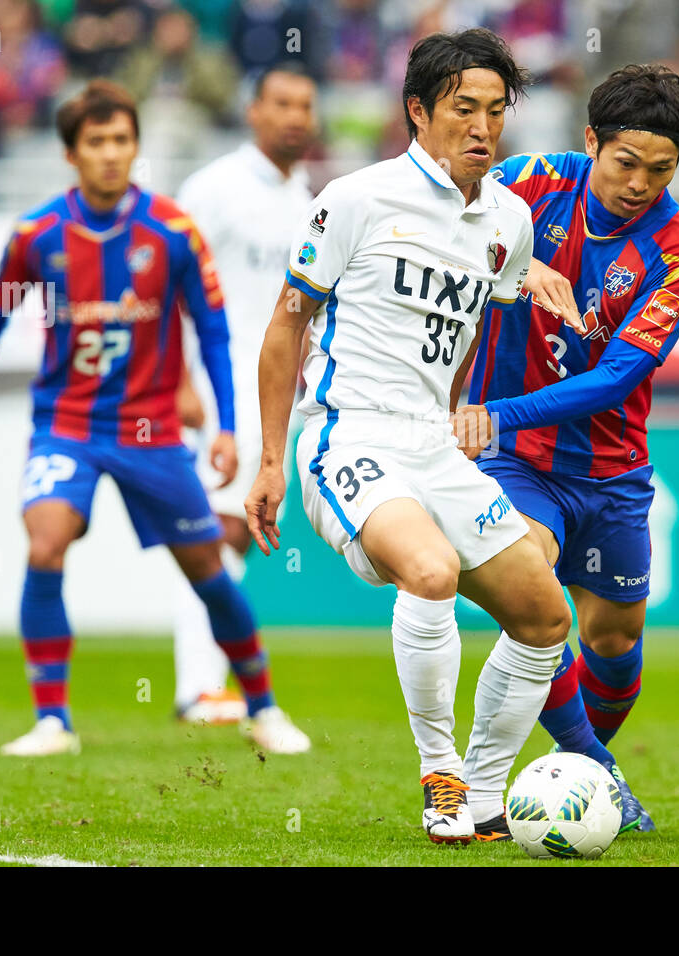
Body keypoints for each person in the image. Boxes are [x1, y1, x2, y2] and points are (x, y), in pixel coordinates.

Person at [245, 28, 571, 845]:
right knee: (427, 571)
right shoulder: (354, 199)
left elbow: (460, 344)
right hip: (345, 434)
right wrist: (269, 460)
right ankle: (441, 775)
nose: (483, 128)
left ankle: (489, 791)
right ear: (418, 111)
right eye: (465, 109)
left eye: (497, 111)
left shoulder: (509, 221)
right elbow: (286, 331)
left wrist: (454, 423)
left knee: (545, 615)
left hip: (431, 441)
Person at [0, 80, 304, 757]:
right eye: (97, 143)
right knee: (45, 541)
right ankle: (53, 720)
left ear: (135, 147)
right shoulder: (38, 235)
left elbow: (213, 331)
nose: (111, 154)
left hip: (151, 431)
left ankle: (263, 706)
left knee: (207, 565)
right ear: (71, 154)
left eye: (122, 141)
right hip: (67, 424)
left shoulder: (171, 232)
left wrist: (227, 426)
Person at [452, 63, 679, 835]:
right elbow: (450, 219)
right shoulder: (527, 182)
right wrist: (517, 259)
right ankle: (589, 773)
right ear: (591, 141)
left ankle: (588, 759)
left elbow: (616, 378)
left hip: (611, 471)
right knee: (530, 590)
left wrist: (494, 412)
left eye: (660, 170)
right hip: (518, 462)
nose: (639, 183)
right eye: (625, 162)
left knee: (615, 643)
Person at [168, 63, 316, 751]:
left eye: (305, 106)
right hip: (220, 384)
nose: (295, 117)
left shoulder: (307, 198)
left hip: (279, 392)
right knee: (218, 530)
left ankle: (213, 682)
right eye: (281, 103)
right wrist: (178, 379)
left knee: (239, 531)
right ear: (253, 111)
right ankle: (197, 686)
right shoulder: (215, 188)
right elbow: (164, 277)